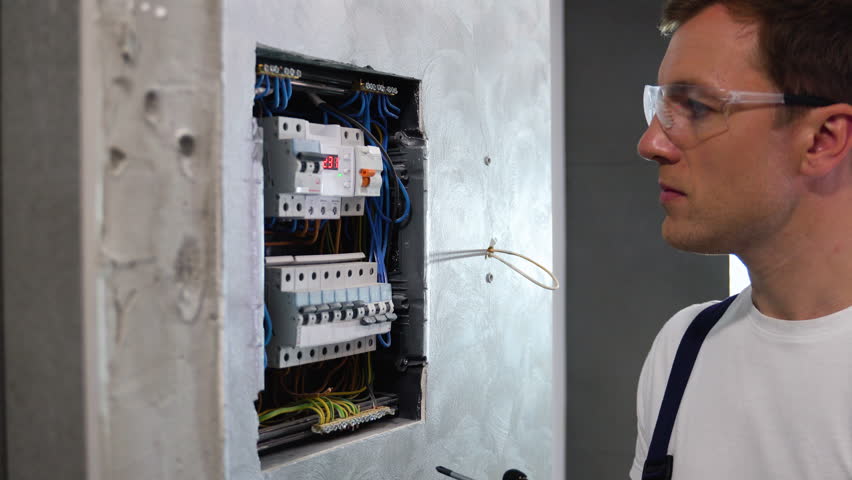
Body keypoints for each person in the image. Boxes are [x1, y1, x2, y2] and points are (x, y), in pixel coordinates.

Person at [631, 0, 852, 479]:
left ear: (822, 139)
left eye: (696, 107)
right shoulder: (683, 352)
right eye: (662, 104)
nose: (651, 143)